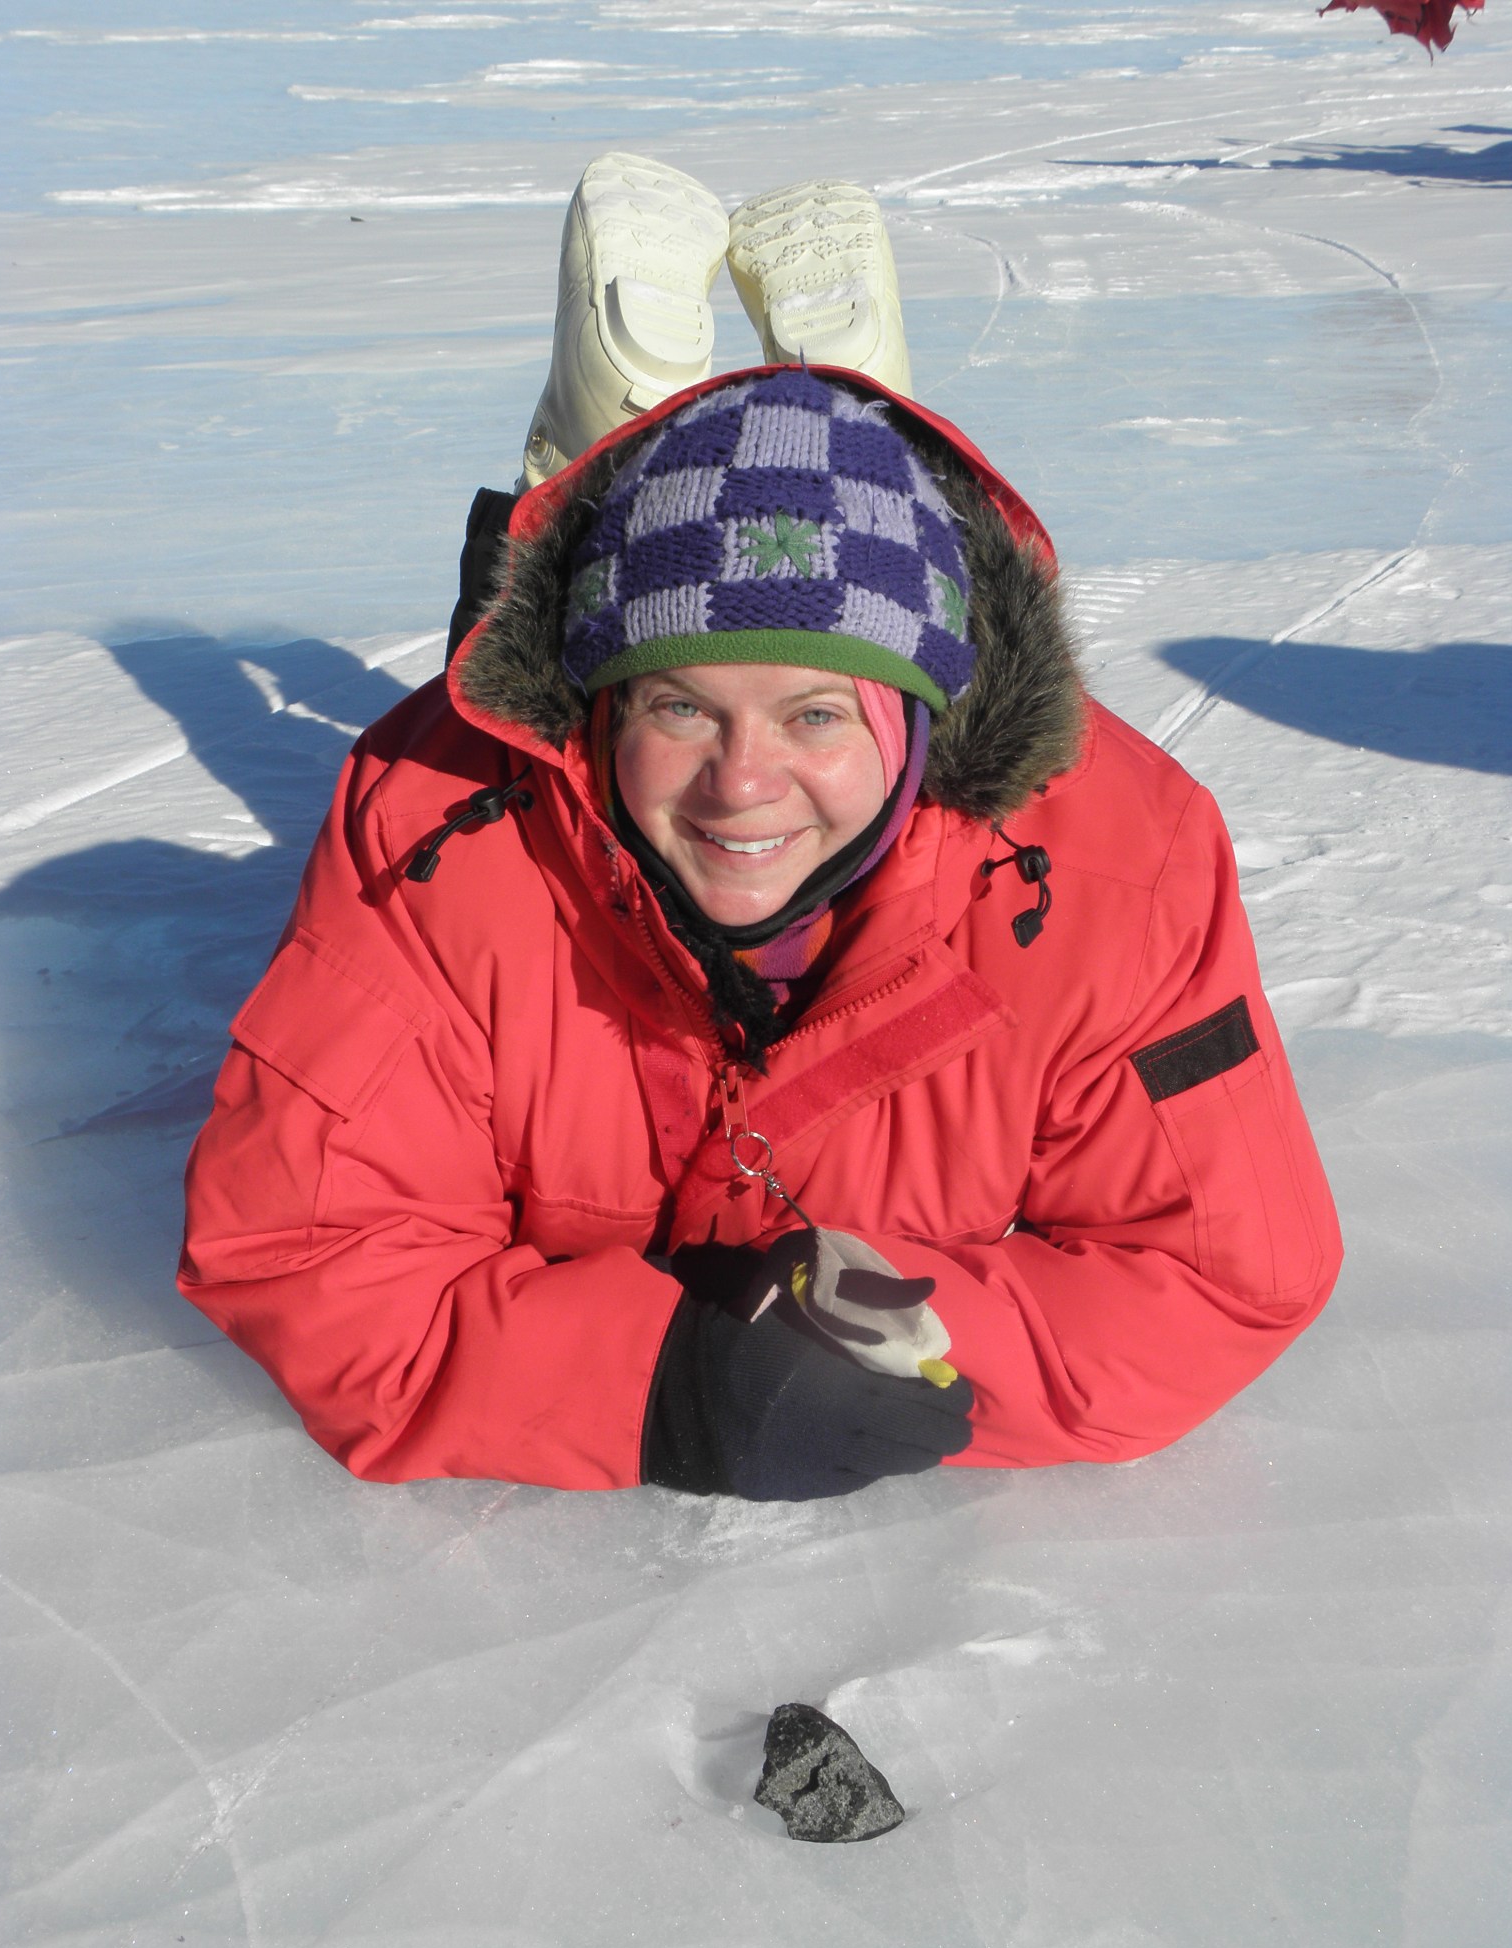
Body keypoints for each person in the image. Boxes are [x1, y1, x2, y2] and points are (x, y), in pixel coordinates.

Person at [178, 155, 1342, 1500]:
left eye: (815, 718)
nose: (742, 782)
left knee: (702, 659)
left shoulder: (1109, 868)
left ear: (920, 723)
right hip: (551, 761)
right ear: (604, 706)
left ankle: (828, 437)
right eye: (679, 706)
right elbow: (305, 1252)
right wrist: (659, 1387)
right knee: (506, 655)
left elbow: (1218, 1277)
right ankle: (605, 434)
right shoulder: (431, 835)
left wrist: (875, 1347)